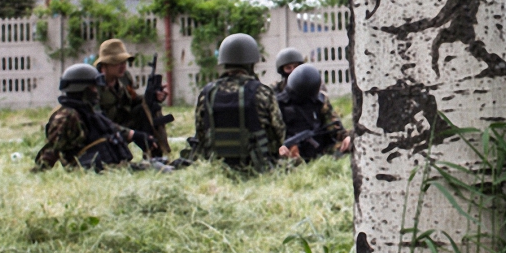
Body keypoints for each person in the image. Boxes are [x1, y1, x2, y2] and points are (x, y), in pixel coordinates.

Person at [190, 33, 285, 171]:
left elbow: (200, 133)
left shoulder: (207, 92)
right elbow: (279, 132)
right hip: (256, 167)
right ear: (251, 63)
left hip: (216, 168)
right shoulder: (262, 92)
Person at [35, 64, 153, 171]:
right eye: (93, 87)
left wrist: (135, 135)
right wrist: (38, 172)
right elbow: (52, 150)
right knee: (149, 168)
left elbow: (110, 127)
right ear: (82, 88)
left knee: (155, 166)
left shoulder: (87, 111)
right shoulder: (67, 117)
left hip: (105, 166)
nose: (97, 91)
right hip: (87, 169)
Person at [95, 38, 167, 157]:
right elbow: (98, 121)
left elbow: (133, 99)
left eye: (124, 62)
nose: (123, 66)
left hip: (122, 125)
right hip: (102, 132)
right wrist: (132, 134)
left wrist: (153, 96)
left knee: (149, 107)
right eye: (118, 62)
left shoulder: (124, 78)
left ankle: (156, 154)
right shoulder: (94, 85)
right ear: (105, 64)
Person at [275, 64, 351, 161]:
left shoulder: (320, 101)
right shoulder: (280, 104)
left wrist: (346, 137)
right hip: (292, 154)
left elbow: (335, 127)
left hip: (322, 151)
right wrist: (281, 148)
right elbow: (274, 137)